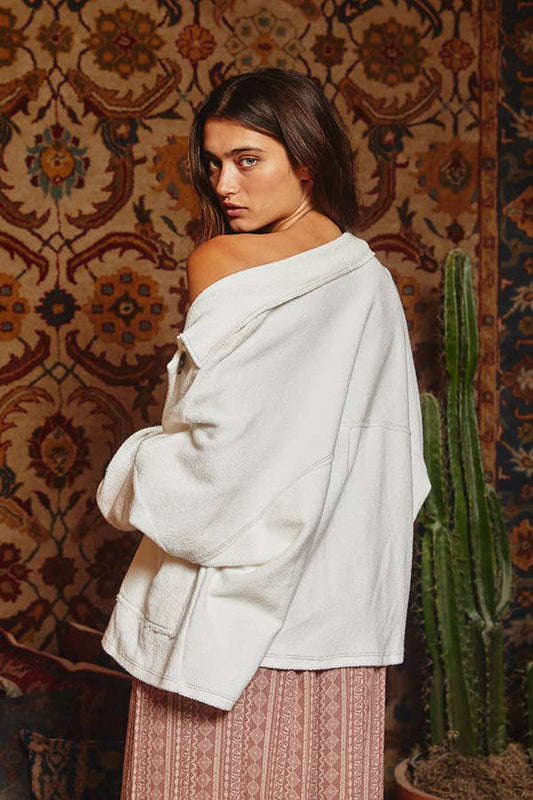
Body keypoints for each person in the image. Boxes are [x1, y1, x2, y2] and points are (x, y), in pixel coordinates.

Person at [97, 68, 431, 800]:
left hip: (226, 631)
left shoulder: (222, 261)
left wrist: (127, 478)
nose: (225, 184)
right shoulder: (369, 280)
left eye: (249, 159)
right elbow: (395, 472)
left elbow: (210, 476)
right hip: (339, 625)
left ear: (305, 158)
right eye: (213, 163)